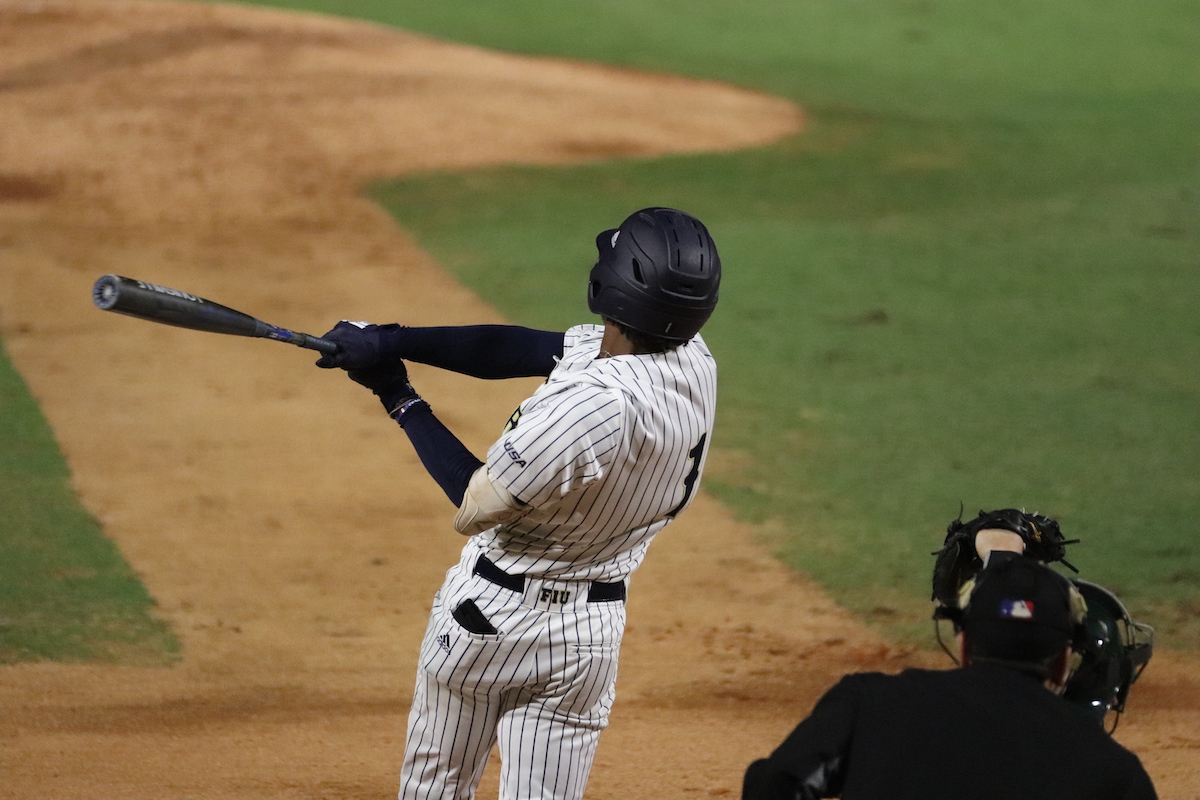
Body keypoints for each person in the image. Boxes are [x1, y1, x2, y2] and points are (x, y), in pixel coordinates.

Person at [317, 207, 721, 800]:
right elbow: (523, 349)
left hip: (492, 621)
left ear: (607, 286)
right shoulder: (691, 361)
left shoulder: (587, 408)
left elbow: (475, 501)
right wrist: (391, 338)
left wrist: (398, 394)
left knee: (436, 789)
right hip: (590, 635)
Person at [742, 552, 1158, 800]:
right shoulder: (1113, 771)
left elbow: (776, 784)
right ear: (1063, 661)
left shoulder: (869, 703)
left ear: (963, 645)